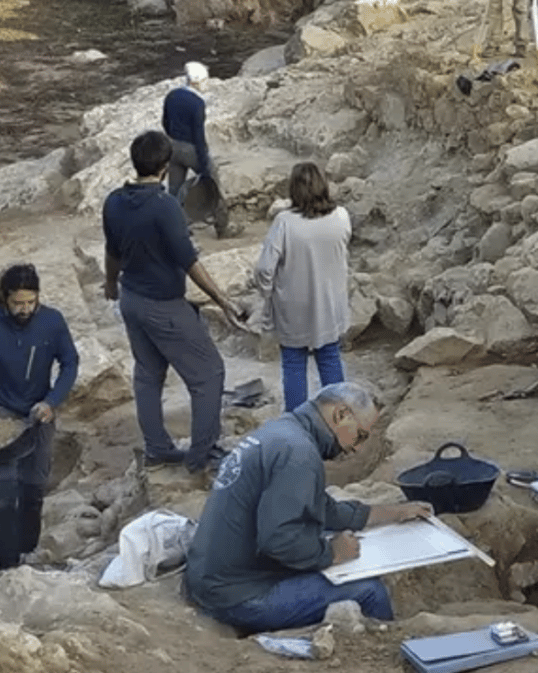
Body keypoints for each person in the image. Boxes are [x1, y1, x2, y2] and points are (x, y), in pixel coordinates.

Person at [183, 382, 432, 633]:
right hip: (236, 596)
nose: (356, 448)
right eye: (360, 435)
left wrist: (392, 513)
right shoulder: (299, 453)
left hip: (212, 578)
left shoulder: (283, 432)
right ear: (341, 415)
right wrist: (331, 552)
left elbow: (322, 509)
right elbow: (279, 539)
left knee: (316, 536)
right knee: (370, 591)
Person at [102, 130, 247, 474]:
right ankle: (202, 455)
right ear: (165, 167)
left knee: (148, 374)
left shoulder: (113, 201)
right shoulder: (165, 206)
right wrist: (222, 300)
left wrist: (111, 285)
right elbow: (189, 261)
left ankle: (157, 449)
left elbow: (112, 252)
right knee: (209, 374)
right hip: (163, 305)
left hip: (132, 299)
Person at [0, 264, 79, 570]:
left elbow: (69, 363)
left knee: (33, 486)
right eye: (18, 303)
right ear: (4, 297)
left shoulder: (52, 322)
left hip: (38, 416)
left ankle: (28, 549)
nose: (25, 309)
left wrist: (52, 401)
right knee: (1, 492)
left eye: (31, 302)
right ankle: (4, 562)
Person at [254, 163, 353, 412]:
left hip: (293, 307)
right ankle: (339, 421)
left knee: (294, 364)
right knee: (330, 357)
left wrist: (268, 293)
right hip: (330, 303)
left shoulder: (285, 223)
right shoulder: (341, 216)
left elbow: (265, 268)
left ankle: (297, 426)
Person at [162, 61, 236, 238]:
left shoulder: (172, 95)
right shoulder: (197, 104)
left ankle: (176, 229)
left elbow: (164, 122)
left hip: (172, 146)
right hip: (191, 149)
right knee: (214, 184)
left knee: (174, 190)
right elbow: (199, 137)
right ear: (199, 82)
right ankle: (223, 226)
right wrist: (204, 166)